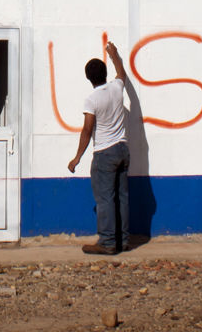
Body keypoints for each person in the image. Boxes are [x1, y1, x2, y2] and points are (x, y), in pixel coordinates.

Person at [67, 40, 129, 255]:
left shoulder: (92, 100)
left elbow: (87, 130)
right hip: (123, 149)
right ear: (105, 73)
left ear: (88, 78)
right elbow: (121, 72)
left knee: (104, 199)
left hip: (105, 153)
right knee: (121, 197)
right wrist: (114, 55)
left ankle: (108, 242)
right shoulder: (116, 88)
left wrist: (77, 158)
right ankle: (123, 240)